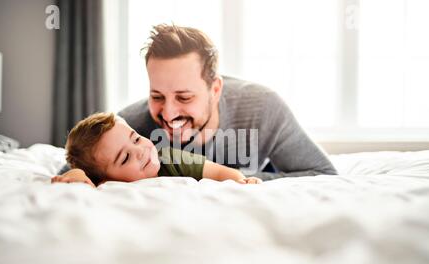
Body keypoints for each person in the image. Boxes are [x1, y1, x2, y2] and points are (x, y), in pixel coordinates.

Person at [59, 23, 337, 181]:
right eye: (157, 96)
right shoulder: (131, 127)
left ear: (215, 89)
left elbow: (324, 174)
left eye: (184, 97)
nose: (168, 113)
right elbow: (75, 165)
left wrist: (231, 182)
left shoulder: (263, 107)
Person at [51, 112, 262, 187]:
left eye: (136, 138)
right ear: (105, 180)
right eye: (125, 158)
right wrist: (76, 174)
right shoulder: (107, 186)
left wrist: (240, 181)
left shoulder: (170, 158)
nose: (140, 151)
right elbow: (74, 178)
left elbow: (218, 172)